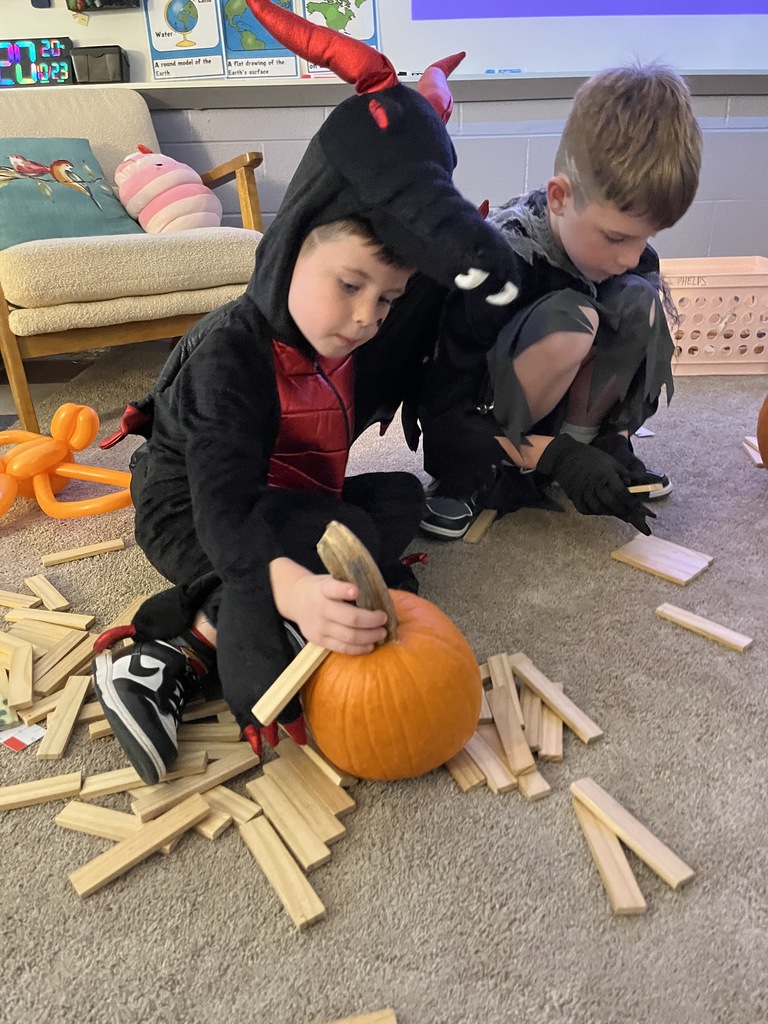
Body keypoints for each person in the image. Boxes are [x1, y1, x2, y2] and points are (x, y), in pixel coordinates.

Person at [91, 0, 522, 785]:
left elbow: (446, 326)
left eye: (386, 299)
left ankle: (282, 604)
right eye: (350, 286)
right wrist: (287, 585)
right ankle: (170, 653)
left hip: (286, 488)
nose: (366, 318)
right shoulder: (230, 354)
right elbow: (226, 511)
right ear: (289, 250)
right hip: (192, 503)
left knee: (391, 501)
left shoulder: (355, 331)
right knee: (270, 566)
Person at [418, 63, 703, 540]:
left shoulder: (631, 258)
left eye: (645, 237)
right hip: (482, 429)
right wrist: (549, 455)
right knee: (572, 319)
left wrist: (603, 443)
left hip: (558, 419)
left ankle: (592, 445)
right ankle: (483, 477)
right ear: (558, 197)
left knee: (641, 300)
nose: (631, 255)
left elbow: (631, 346)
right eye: (615, 237)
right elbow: (444, 411)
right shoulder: (497, 262)